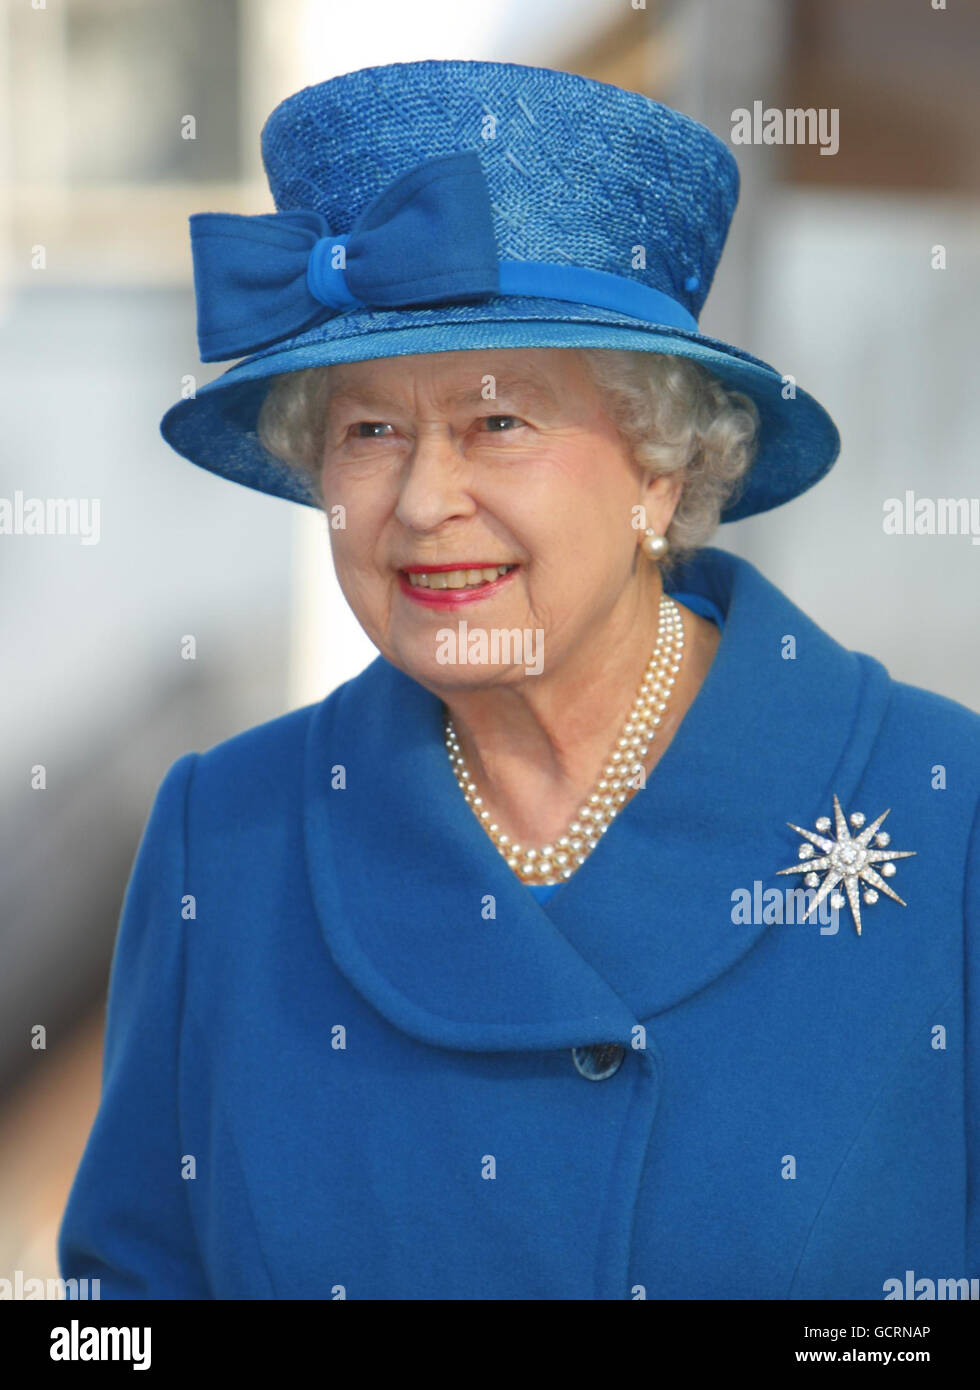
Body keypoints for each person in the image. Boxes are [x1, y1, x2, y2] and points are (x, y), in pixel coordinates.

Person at [58, 58, 979, 1300]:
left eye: (497, 423)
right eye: (370, 430)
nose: (425, 501)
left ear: (659, 467)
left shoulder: (944, 813)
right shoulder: (224, 834)